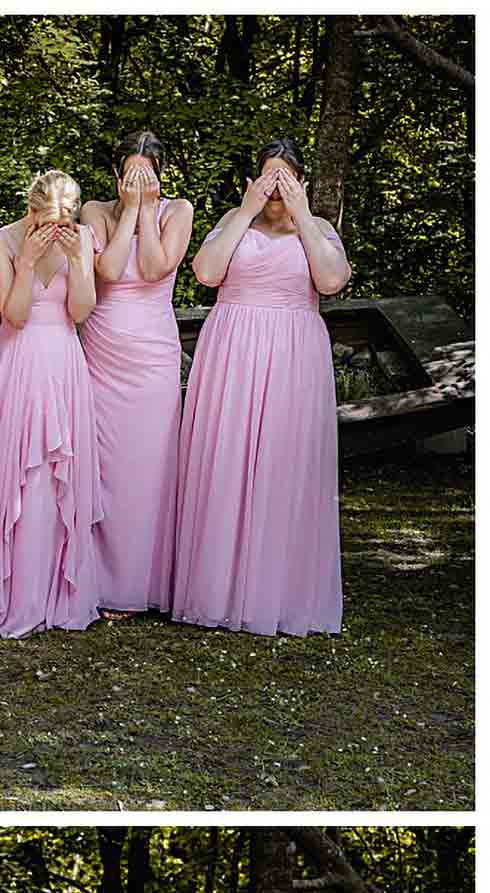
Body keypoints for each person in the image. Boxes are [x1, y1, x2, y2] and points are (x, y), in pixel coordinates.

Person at [173, 140, 350, 636]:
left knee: (284, 462)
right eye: (268, 178)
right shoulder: (236, 219)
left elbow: (332, 280)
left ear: (301, 183)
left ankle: (279, 591)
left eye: (285, 179)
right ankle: (218, 590)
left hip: (295, 353)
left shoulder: (319, 229)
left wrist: (303, 213)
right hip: (233, 350)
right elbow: (207, 272)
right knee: (227, 459)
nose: (276, 189)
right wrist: (247, 208)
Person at [0, 171, 103, 636]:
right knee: (21, 481)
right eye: (47, 219)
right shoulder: (0, 242)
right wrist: (26, 262)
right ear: (30, 211)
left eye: (64, 219)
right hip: (19, 361)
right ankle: (16, 594)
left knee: (58, 476)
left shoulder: (81, 238)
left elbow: (82, 311)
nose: (56, 228)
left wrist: (79, 262)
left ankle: (60, 590)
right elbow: (16, 314)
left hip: (65, 361)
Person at [79, 132, 193, 617]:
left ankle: (147, 583)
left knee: (149, 467)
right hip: (102, 350)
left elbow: (152, 268)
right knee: (105, 466)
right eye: (130, 174)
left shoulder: (179, 211)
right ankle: (102, 581)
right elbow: (105, 270)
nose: (139, 182)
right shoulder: (94, 211)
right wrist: (127, 210)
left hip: (152, 354)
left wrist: (148, 210)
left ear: (161, 173)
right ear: (116, 174)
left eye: (147, 174)